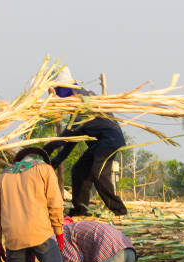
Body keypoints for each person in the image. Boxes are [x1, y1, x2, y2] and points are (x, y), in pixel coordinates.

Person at [43, 67, 128, 217]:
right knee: (79, 170)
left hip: (109, 140)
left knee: (98, 173)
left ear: (62, 87)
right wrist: (57, 160)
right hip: (98, 143)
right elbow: (73, 138)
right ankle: (80, 211)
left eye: (56, 90)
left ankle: (120, 211)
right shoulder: (76, 98)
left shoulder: (80, 99)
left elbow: (68, 135)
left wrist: (49, 148)